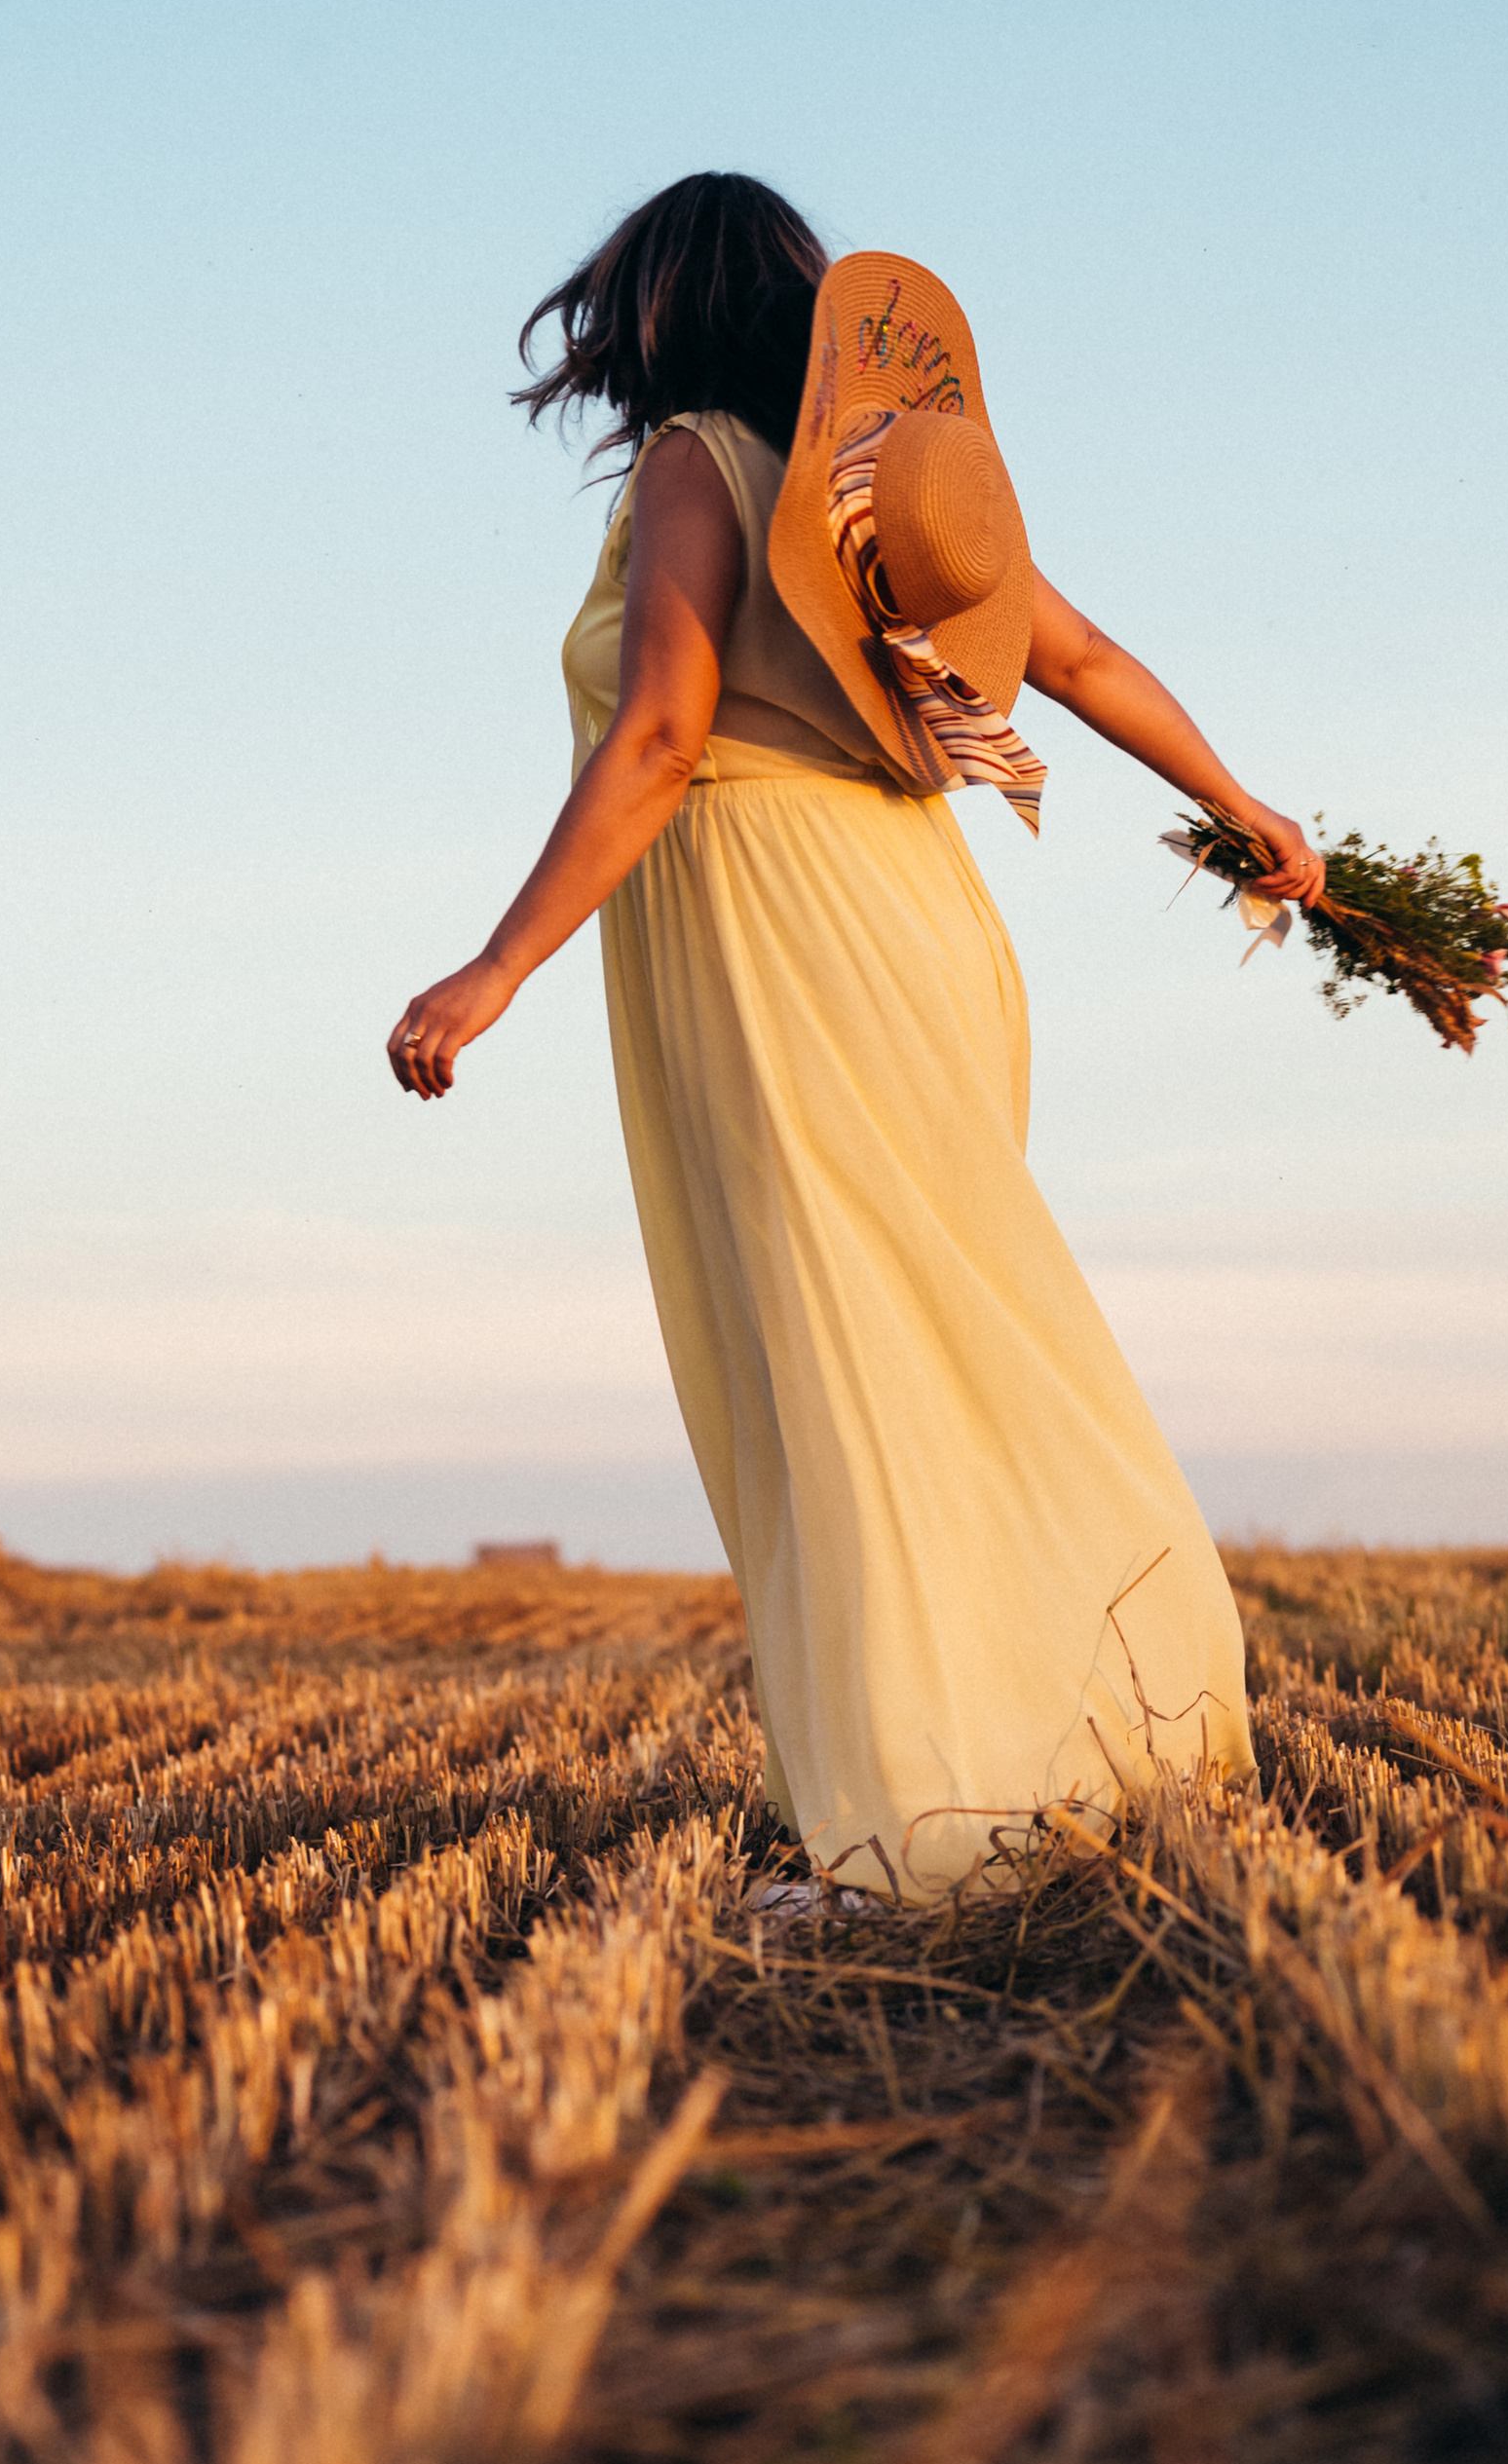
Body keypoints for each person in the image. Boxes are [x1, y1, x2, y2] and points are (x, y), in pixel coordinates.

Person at [387, 173, 1321, 1895]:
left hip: (774, 925)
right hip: (916, 912)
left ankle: (927, 1819)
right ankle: (1118, 1724)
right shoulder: (865, 488)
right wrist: (1240, 798)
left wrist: (496, 965)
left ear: (651, 314)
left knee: (844, 1359)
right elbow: (1086, 654)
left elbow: (664, 734)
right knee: (958, 1314)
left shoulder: (694, 465)